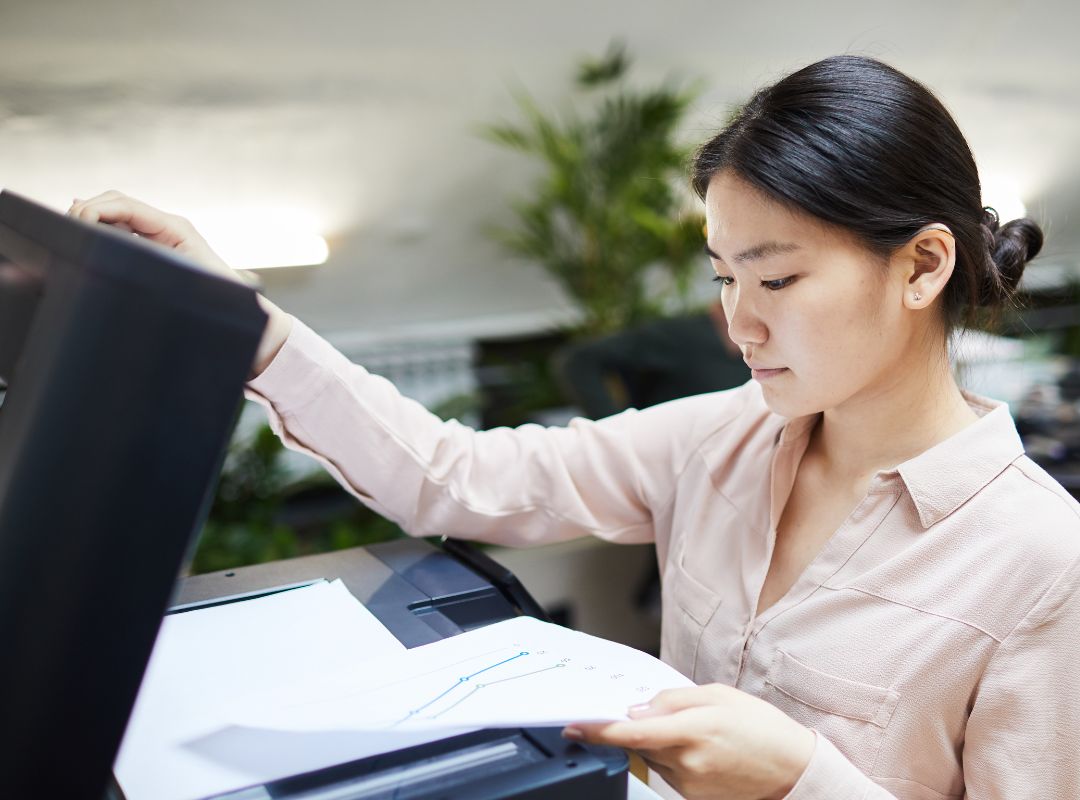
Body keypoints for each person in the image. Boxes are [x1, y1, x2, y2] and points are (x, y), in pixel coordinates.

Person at [69, 54, 1079, 800]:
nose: (741, 321)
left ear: (922, 265)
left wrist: (801, 775)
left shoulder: (1041, 562)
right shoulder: (718, 441)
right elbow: (458, 477)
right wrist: (246, 325)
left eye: (777, 278)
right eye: (725, 279)